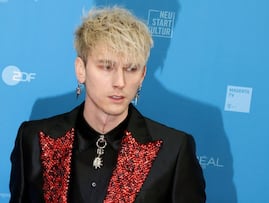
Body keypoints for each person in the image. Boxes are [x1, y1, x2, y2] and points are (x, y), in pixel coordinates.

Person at [9, 6, 206, 203]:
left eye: (131, 69)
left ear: (142, 75)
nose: (120, 82)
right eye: (106, 67)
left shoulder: (173, 150)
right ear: (81, 70)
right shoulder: (34, 138)